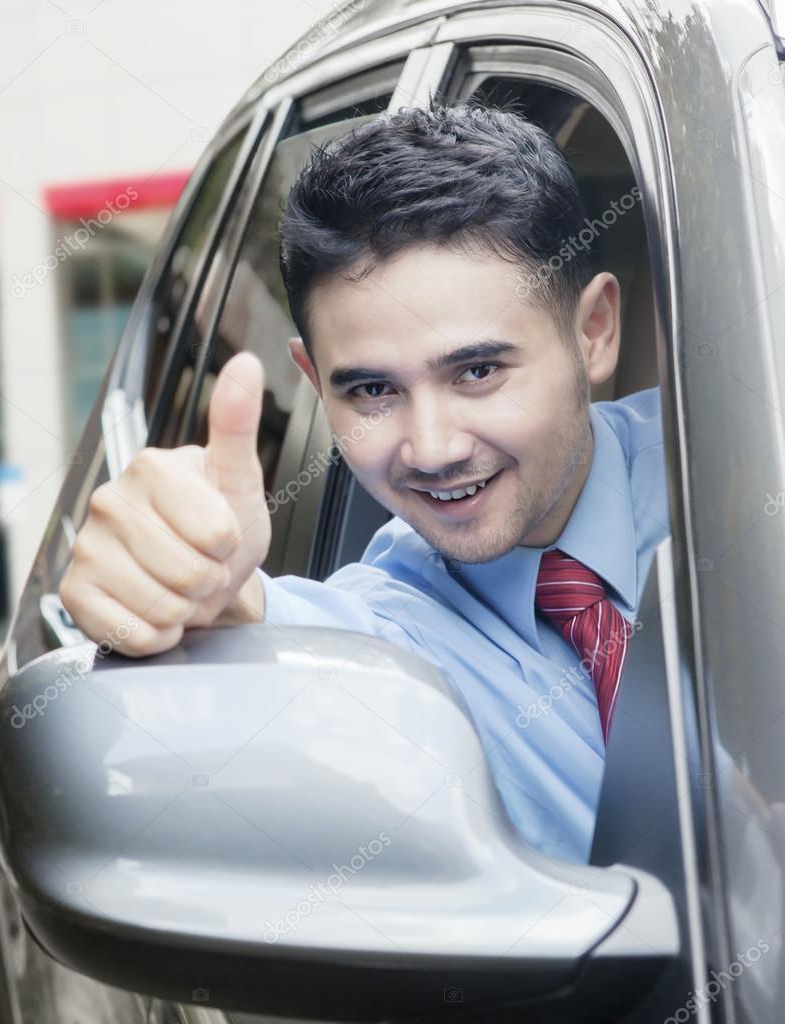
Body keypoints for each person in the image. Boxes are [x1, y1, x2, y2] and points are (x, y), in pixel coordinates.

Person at [59, 102, 670, 863]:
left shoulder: (742, 471)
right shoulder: (386, 641)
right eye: (373, 392)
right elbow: (269, 627)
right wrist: (181, 582)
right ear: (313, 382)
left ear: (594, 332)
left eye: (477, 371)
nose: (433, 448)